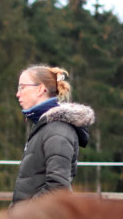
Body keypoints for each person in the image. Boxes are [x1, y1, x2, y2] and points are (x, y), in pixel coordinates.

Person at [12, 64, 95, 205]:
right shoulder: (44, 127)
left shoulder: (58, 129)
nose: (17, 94)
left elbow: (58, 188)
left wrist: (22, 214)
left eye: (22, 87)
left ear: (40, 89)